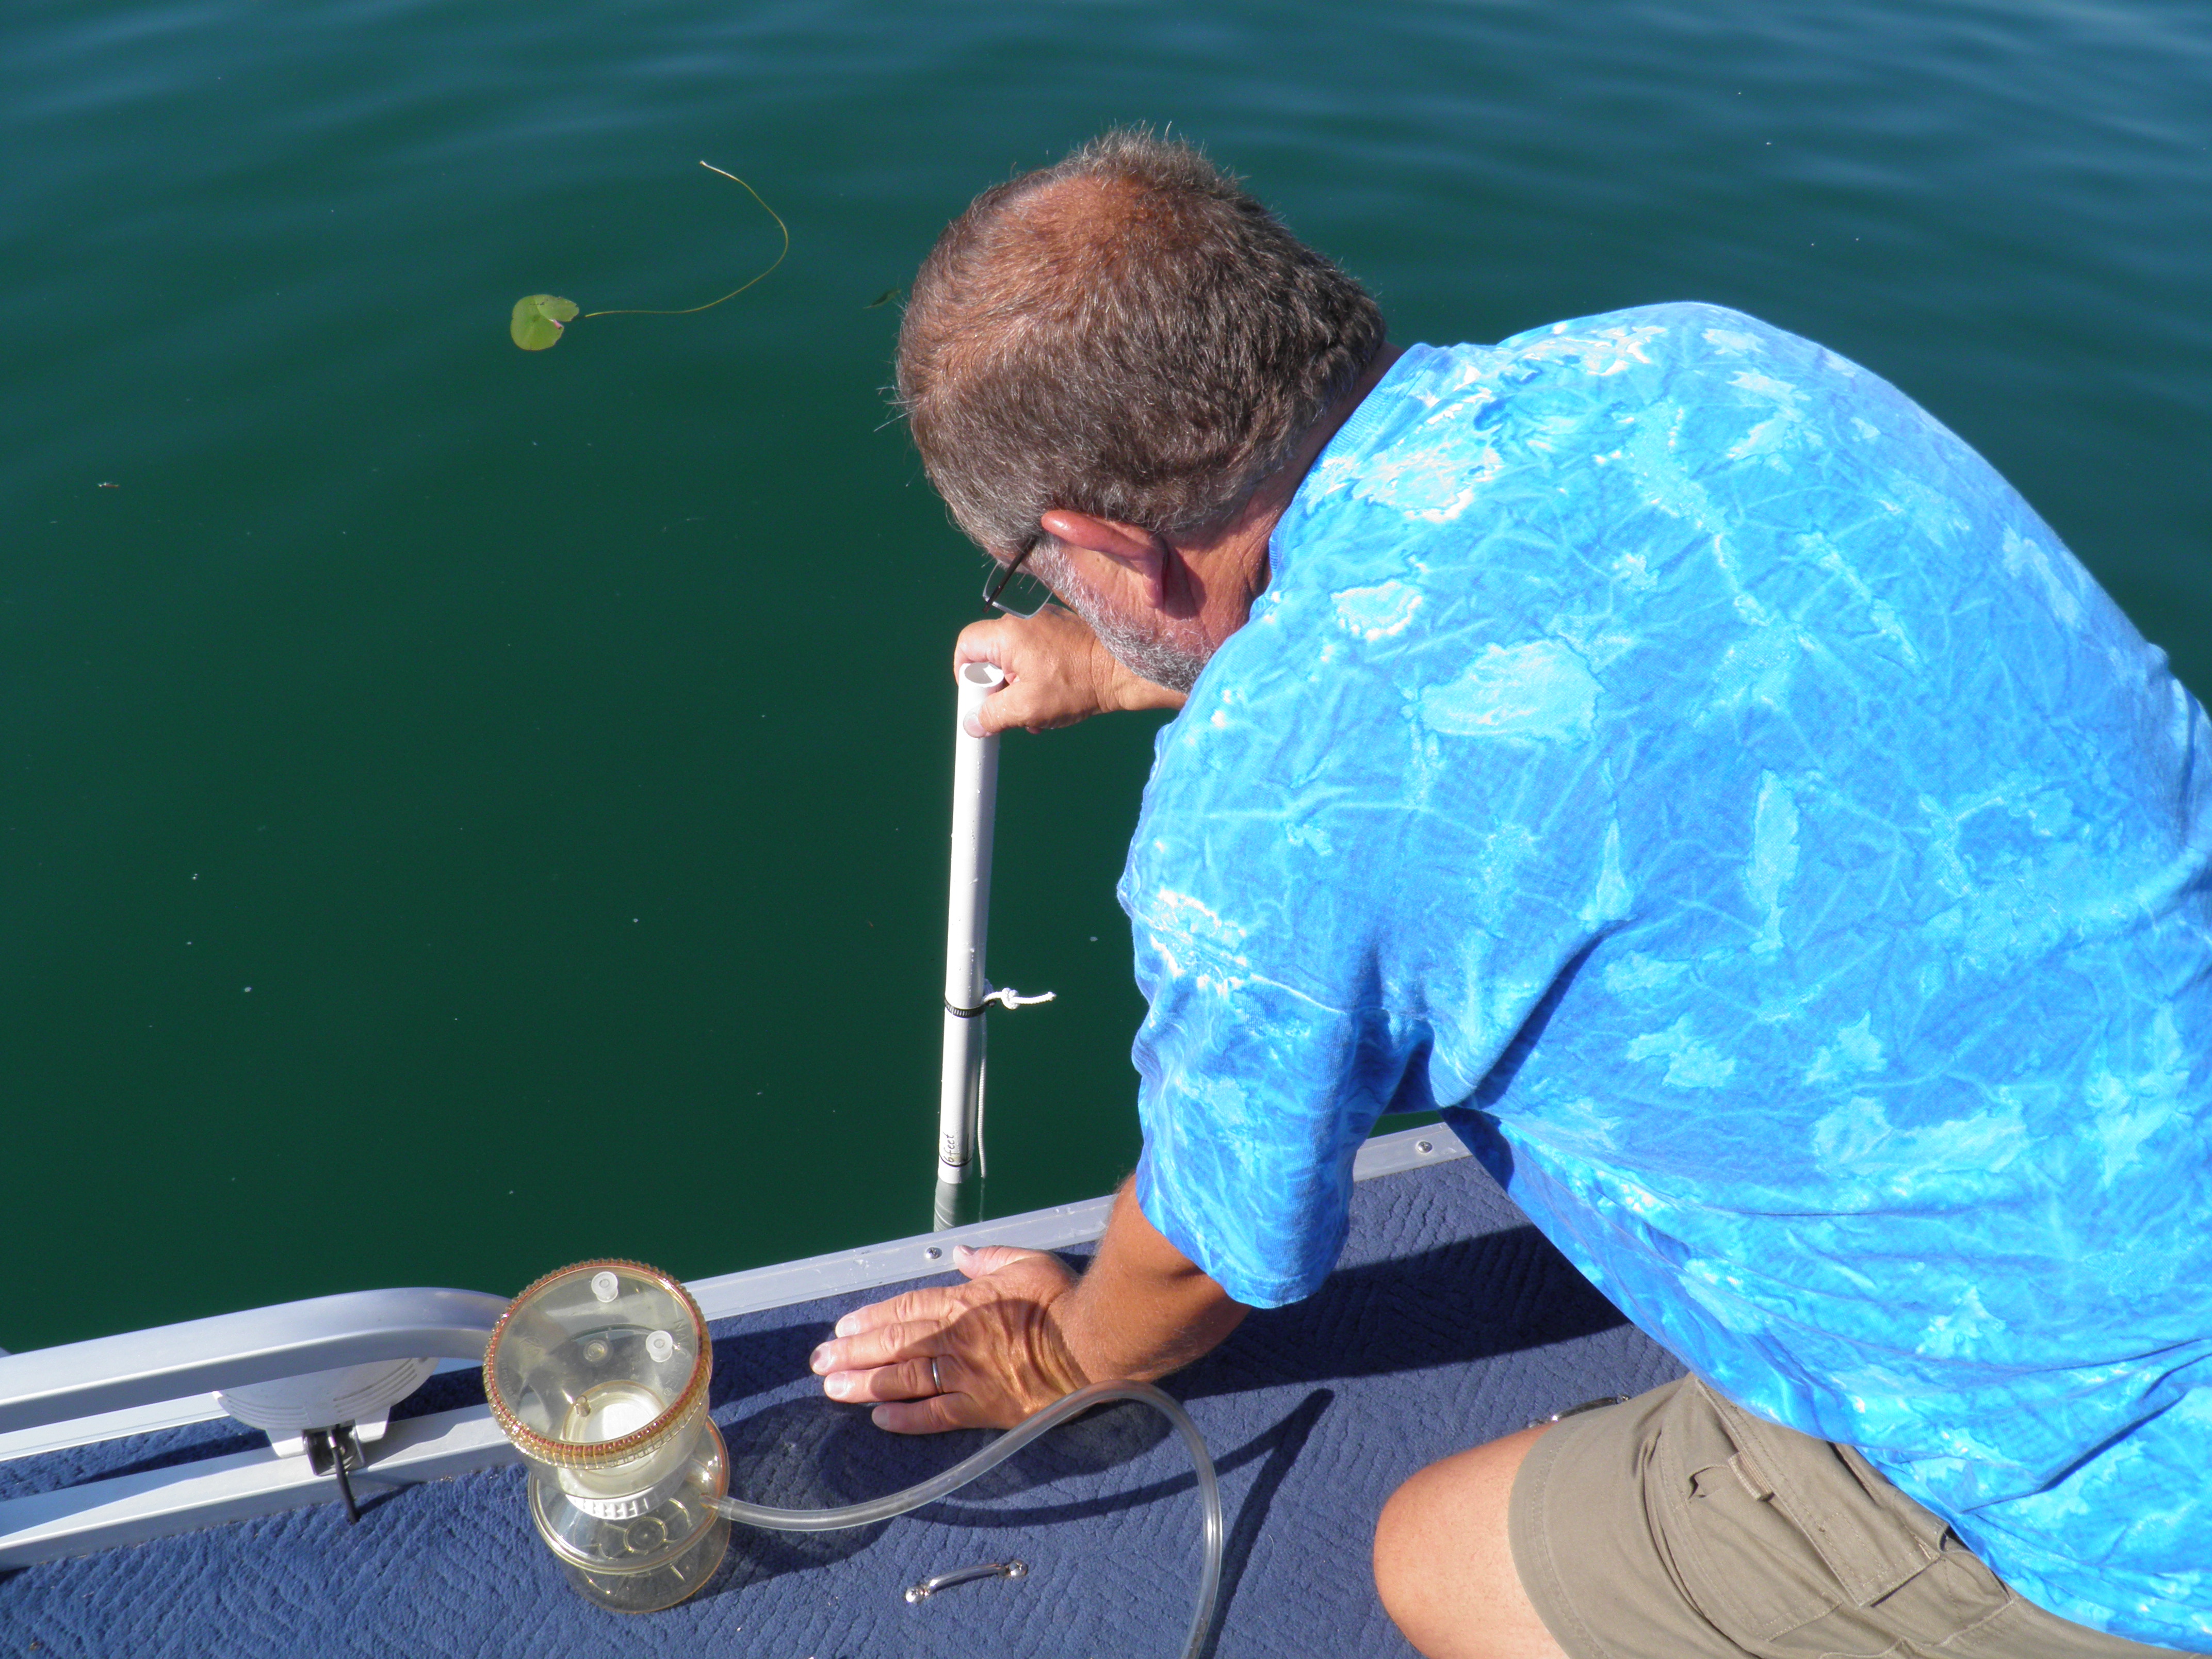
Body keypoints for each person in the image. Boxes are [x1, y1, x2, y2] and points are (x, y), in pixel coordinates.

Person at [804, 130, 2212, 1658]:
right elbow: (1566, 616)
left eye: (1036, 570)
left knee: (1441, 1554)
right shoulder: (1701, 366)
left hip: (2140, 1502)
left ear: (1102, 548)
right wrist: (1168, 669)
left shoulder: (1266, 822)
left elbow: (1219, 1246)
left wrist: (1059, 1361)